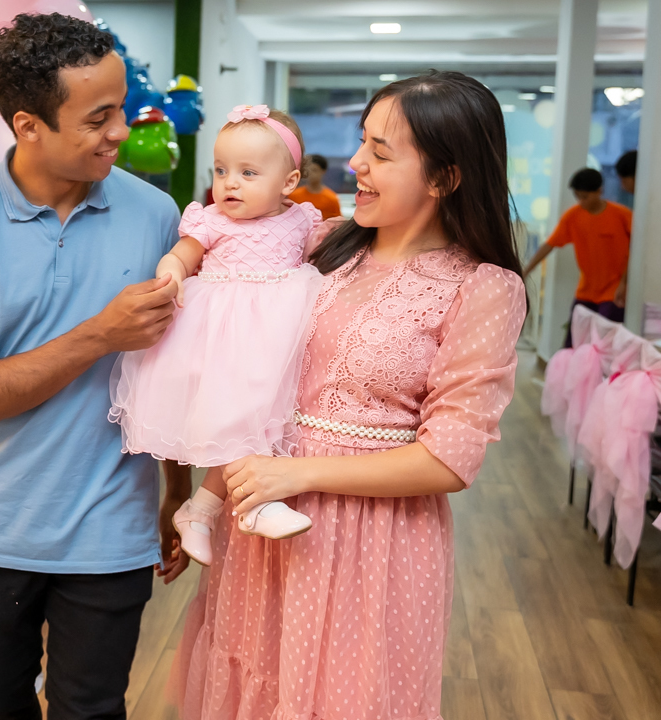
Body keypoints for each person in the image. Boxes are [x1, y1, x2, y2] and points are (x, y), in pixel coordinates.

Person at [172, 71, 527, 719]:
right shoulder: (318, 245)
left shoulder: (482, 288)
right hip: (263, 523)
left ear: (445, 177)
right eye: (363, 142)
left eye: (381, 153)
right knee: (254, 687)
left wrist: (297, 474)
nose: (356, 162)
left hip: (372, 543)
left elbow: (450, 459)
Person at [0, 13, 192, 719]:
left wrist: (177, 491)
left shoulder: (158, 216)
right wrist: (99, 334)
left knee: (92, 709)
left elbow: (173, 373)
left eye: (121, 108)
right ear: (28, 125)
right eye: (98, 118)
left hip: (113, 528)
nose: (121, 131)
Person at [110, 105, 324, 567]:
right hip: (221, 338)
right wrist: (172, 273)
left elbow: (327, 257)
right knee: (240, 421)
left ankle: (202, 510)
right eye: (221, 170)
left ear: (288, 182)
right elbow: (181, 256)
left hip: (275, 339)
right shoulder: (210, 220)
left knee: (261, 423)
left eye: (248, 173)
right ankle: (252, 504)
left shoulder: (302, 220)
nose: (230, 183)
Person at [522, 167, 632, 346]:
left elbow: (635, 253)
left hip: (613, 292)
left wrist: (624, 284)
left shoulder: (622, 215)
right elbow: (550, 244)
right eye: (577, 196)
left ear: (599, 191)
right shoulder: (573, 216)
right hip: (585, 291)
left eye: (585, 197)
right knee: (572, 343)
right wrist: (525, 270)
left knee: (603, 344)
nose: (581, 201)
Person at [288, 153, 342, 220]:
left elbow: (338, 222)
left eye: (314, 170)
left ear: (323, 171)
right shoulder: (294, 196)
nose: (311, 174)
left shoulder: (331, 199)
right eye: (308, 171)